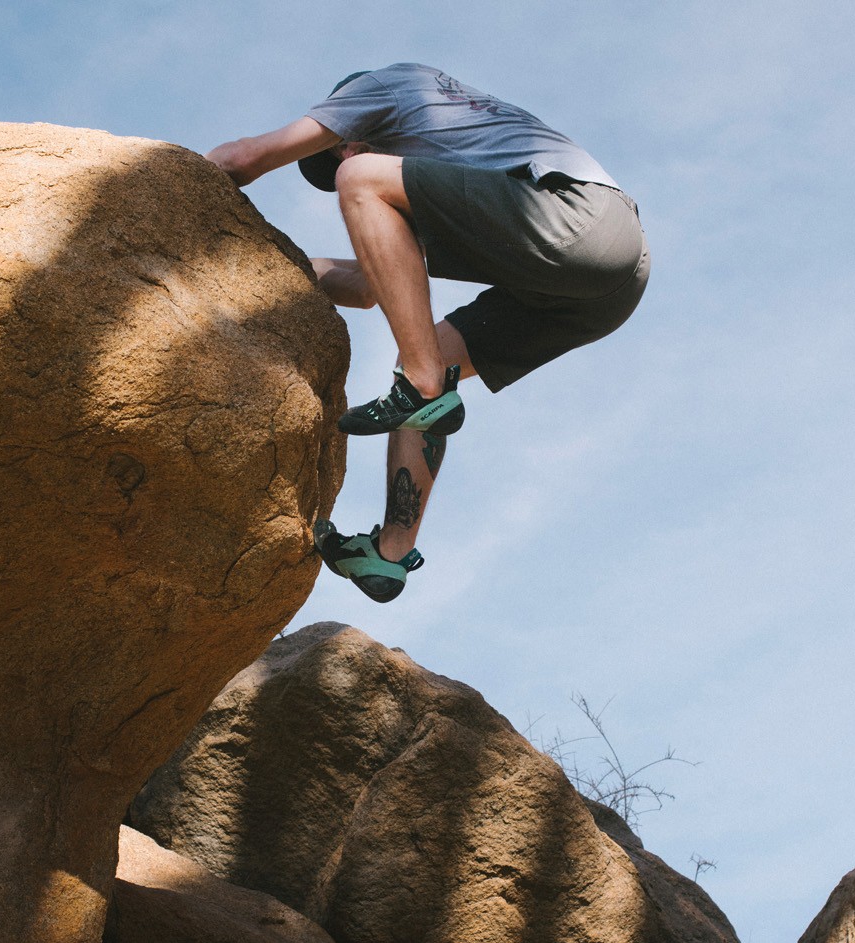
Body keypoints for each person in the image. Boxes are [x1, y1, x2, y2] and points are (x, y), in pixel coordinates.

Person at [207, 63, 650, 602]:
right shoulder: (448, 164)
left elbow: (244, 158)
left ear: (345, 120)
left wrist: (172, 191)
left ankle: (419, 388)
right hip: (605, 286)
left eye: (335, 148)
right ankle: (390, 554)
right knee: (432, 355)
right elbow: (371, 286)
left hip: (581, 215)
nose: (342, 160)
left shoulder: (383, 86)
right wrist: (263, 265)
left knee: (363, 184)